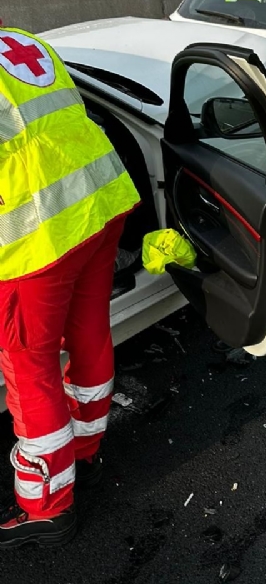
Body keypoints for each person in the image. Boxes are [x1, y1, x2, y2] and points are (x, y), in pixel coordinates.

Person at [0, 27, 140, 548]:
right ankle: (85, 452)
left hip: (36, 239)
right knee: (87, 335)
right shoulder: (18, 39)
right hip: (98, 204)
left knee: (29, 368)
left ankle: (47, 505)